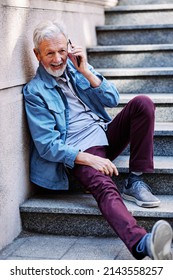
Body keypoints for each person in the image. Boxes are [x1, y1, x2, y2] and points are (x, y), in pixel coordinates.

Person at [23, 20, 173, 260]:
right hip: (79, 153)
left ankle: (134, 180)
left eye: (62, 50)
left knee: (142, 103)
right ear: (36, 54)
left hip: (103, 134)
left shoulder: (77, 68)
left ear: (70, 46)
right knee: (105, 187)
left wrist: (85, 71)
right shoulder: (35, 92)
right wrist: (88, 159)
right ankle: (143, 243)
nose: (58, 59)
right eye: (50, 53)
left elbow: (112, 99)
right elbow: (47, 146)